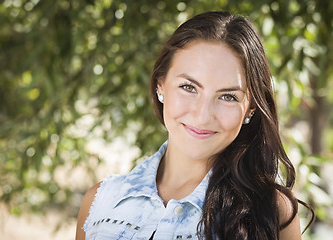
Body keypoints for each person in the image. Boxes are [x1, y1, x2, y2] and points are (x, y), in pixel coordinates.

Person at [76, 11, 314, 240]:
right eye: (189, 87)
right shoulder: (99, 202)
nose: (202, 115)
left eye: (228, 96)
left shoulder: (272, 213)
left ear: (251, 108)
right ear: (161, 85)